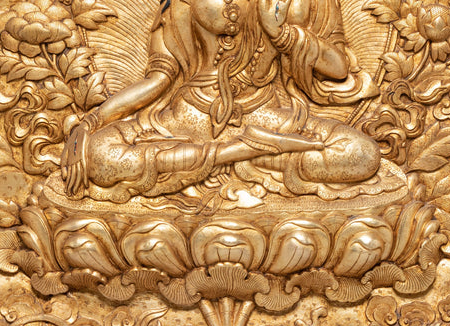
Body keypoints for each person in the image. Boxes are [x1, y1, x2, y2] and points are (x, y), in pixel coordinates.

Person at [60, 0, 382, 201]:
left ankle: (228, 156)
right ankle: (243, 152)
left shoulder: (302, 4)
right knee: (98, 155)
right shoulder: (185, 4)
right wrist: (90, 123)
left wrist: (281, 34)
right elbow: (157, 81)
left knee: (363, 154)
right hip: (189, 119)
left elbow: (338, 68)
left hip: (267, 115)